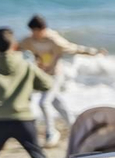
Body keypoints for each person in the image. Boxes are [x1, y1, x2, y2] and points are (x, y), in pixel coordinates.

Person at [17, 15, 104, 147]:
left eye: (36, 31)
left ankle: (51, 132)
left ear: (43, 29)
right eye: (32, 31)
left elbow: (74, 48)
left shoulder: (54, 40)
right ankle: (74, 124)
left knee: (44, 102)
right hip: (42, 76)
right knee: (55, 101)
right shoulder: (30, 40)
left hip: (55, 75)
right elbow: (15, 47)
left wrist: (95, 52)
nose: (34, 34)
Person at [0, 27, 55, 158]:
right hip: (23, 118)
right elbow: (47, 84)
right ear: (15, 45)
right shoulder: (26, 65)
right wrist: (29, 84)